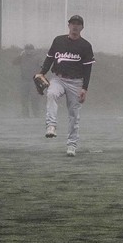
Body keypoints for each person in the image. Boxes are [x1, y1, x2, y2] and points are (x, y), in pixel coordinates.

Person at [37, 15, 95, 156]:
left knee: (74, 115)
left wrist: (84, 88)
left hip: (76, 82)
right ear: (68, 25)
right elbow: (49, 59)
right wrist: (42, 73)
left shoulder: (85, 46)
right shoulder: (58, 41)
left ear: (82, 27)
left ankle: (71, 145)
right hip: (58, 78)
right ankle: (51, 126)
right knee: (51, 94)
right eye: (73, 23)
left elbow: (88, 69)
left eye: (78, 24)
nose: (75, 26)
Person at [12, 43, 41, 117]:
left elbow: (42, 67)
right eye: (27, 49)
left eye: (30, 49)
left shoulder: (37, 57)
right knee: (24, 98)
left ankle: (36, 113)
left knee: (34, 98)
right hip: (24, 80)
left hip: (34, 81)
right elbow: (14, 62)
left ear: (33, 50)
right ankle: (25, 114)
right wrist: (20, 55)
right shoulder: (22, 57)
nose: (29, 51)